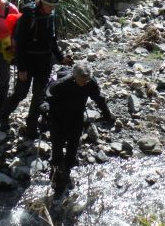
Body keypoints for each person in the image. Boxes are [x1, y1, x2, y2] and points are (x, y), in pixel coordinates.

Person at [0, 0, 73, 139]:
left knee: (38, 96)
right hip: (28, 62)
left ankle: (31, 126)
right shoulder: (28, 16)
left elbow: (53, 39)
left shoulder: (51, 15)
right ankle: (3, 115)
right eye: (49, 5)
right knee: (21, 93)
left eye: (53, 6)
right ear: (41, 2)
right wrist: (22, 68)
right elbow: (20, 45)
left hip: (44, 63)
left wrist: (60, 57)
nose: (51, 8)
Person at [45, 62, 114, 194]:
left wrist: (107, 115)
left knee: (73, 144)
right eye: (82, 80)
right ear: (74, 76)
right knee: (57, 147)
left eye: (87, 79)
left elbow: (99, 99)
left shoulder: (90, 83)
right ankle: (55, 174)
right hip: (57, 117)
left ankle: (67, 172)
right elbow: (46, 95)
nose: (85, 82)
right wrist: (44, 108)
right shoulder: (61, 84)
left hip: (76, 116)